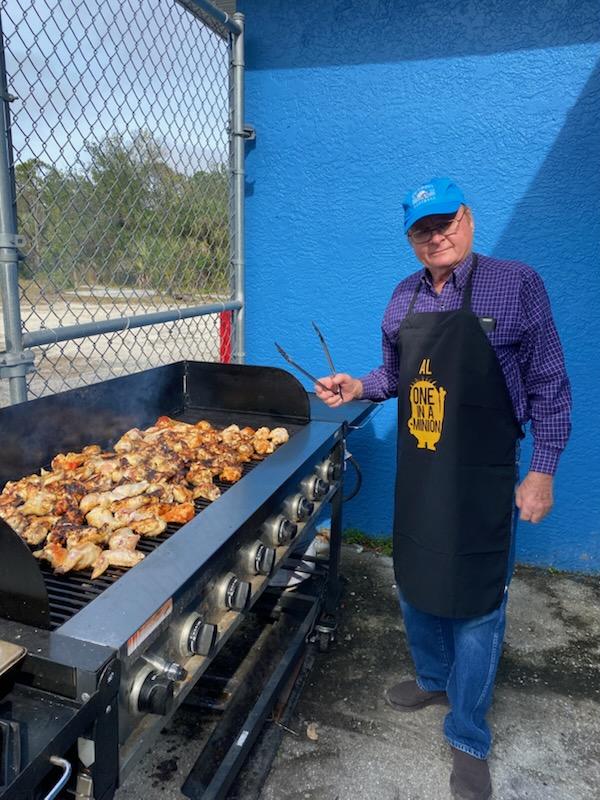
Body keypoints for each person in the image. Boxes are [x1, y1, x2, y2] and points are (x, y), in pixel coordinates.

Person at [315, 177, 571, 800]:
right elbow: (397, 373)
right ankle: (434, 679)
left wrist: (542, 471)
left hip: (486, 471)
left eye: (445, 222)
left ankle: (468, 733)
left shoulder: (516, 284)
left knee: (479, 600)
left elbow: (550, 383)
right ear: (411, 239)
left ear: (468, 219)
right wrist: (360, 386)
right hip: (423, 466)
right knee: (415, 577)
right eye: (422, 230)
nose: (436, 237)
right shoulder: (403, 295)